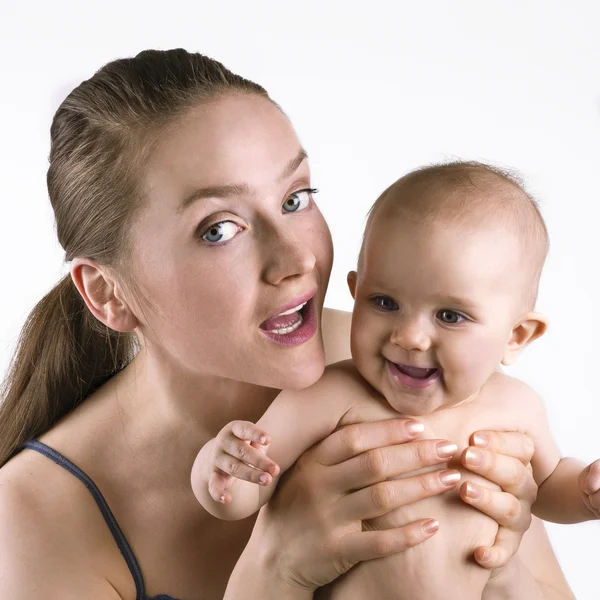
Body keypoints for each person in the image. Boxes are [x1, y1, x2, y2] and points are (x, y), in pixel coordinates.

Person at [0, 49, 575, 600]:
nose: (298, 260)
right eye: (219, 229)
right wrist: (276, 572)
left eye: (297, 198)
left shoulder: (413, 369)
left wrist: (502, 567)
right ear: (108, 292)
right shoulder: (34, 520)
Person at [193, 162, 600, 598]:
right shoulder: (329, 396)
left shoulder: (517, 407)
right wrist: (219, 470)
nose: (408, 336)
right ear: (355, 290)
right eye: (385, 302)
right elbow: (246, 490)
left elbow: (548, 487)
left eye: (450, 316)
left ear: (516, 336)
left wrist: (584, 491)